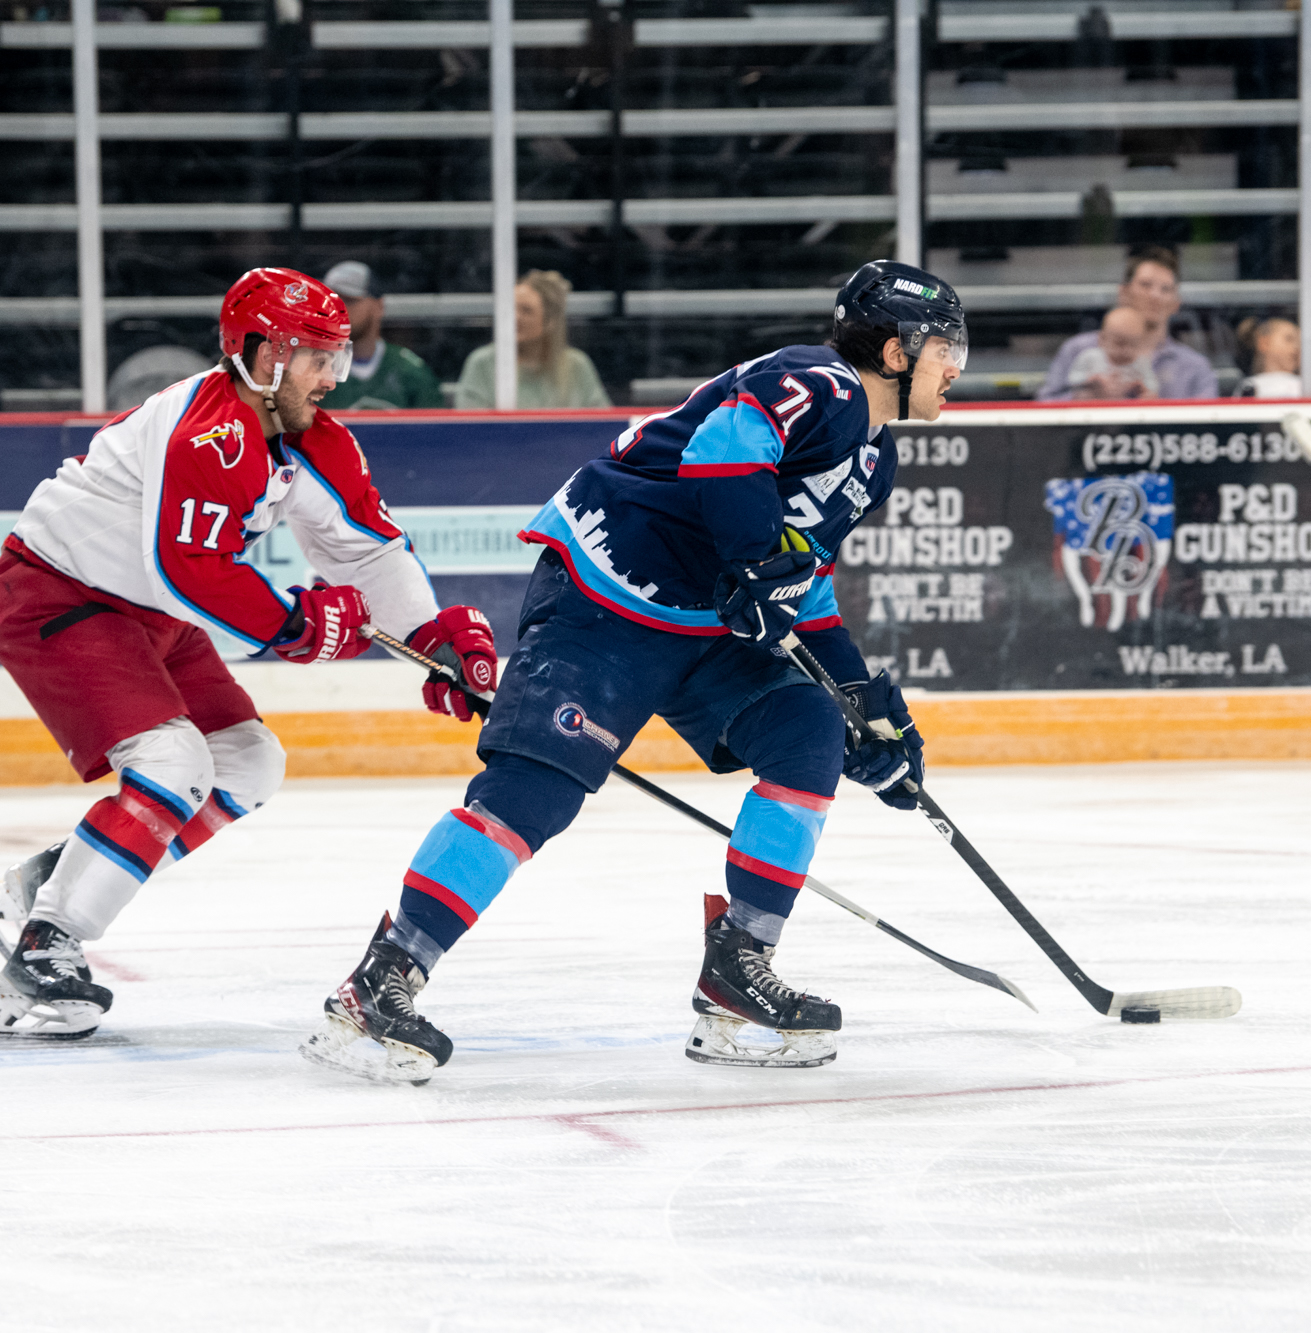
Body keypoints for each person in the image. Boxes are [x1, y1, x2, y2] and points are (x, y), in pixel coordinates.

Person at [300, 260, 967, 1083]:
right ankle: (384, 977)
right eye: (945, 346)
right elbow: (727, 452)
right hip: (607, 591)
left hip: (698, 621)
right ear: (897, 351)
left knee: (809, 729)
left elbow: (803, 583)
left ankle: (737, 974)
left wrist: (861, 701)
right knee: (534, 790)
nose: (956, 367)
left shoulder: (872, 458)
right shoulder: (820, 380)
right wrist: (754, 559)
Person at [0, 267, 499, 1040]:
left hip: (147, 611)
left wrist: (434, 641)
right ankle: (47, 942)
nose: (331, 376)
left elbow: (369, 554)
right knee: (174, 761)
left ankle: (54, 881)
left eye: (337, 355)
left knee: (249, 761)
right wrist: (294, 626)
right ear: (261, 354)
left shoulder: (316, 441)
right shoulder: (208, 432)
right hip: (59, 595)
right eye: (315, 356)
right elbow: (184, 568)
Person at [1039, 245, 1218, 401]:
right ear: (1123, 292)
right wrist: (1085, 398)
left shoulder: (1194, 367)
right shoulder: (1077, 350)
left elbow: (1210, 426)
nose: (1155, 296)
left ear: (1176, 303)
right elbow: (1043, 409)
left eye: (1166, 289)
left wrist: (1158, 411)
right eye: (1146, 285)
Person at [454, 269, 611, 409]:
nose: (514, 317)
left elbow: (605, 426)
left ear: (550, 320)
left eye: (526, 310)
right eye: (511, 308)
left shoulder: (577, 365)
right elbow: (468, 430)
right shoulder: (482, 363)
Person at [317, 260, 443, 411]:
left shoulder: (412, 373)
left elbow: (435, 432)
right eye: (330, 302)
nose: (337, 310)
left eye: (349, 300)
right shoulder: (311, 372)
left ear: (379, 306)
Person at [1065, 306, 1159, 400]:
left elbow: (1153, 386)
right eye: (1120, 344)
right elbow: (1072, 379)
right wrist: (1091, 380)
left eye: (1133, 345)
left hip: (1127, 410)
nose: (1126, 350)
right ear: (1103, 339)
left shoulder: (1141, 363)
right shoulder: (1091, 357)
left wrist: (1143, 387)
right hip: (1093, 408)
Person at [1232, 315, 1311, 399]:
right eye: (1289, 339)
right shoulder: (1250, 387)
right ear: (1264, 343)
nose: (1297, 347)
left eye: (1300, 343)